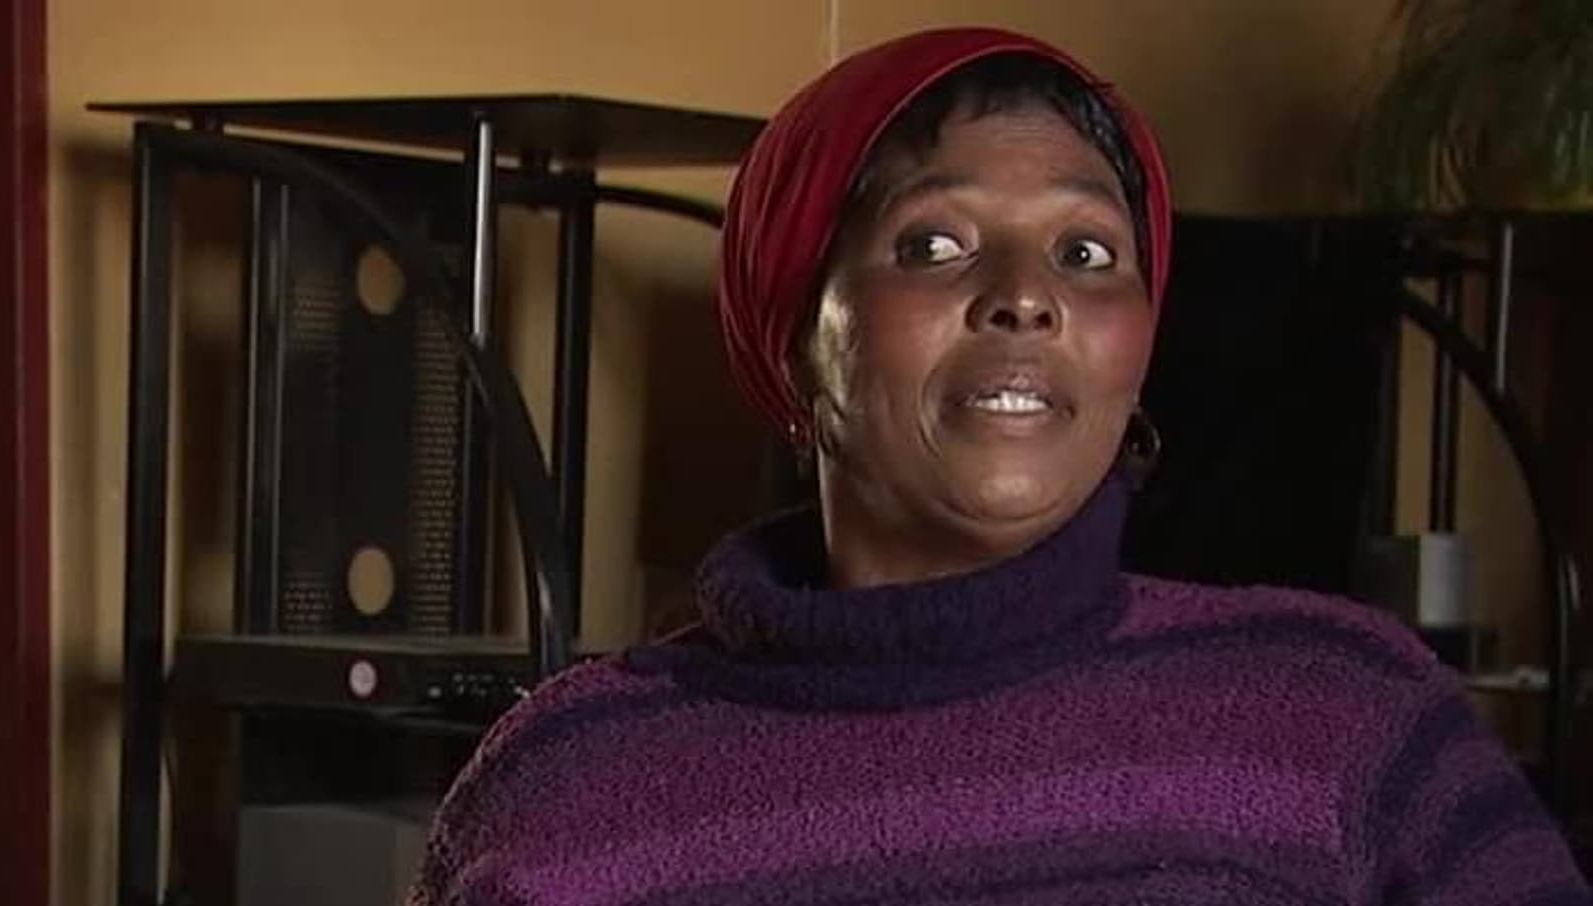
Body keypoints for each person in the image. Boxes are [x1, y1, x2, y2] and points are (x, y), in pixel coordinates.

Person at [410, 27, 1590, 905]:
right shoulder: (571, 787)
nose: (1026, 296)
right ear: (796, 341)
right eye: (934, 244)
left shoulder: (1340, 712)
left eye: (1087, 252)